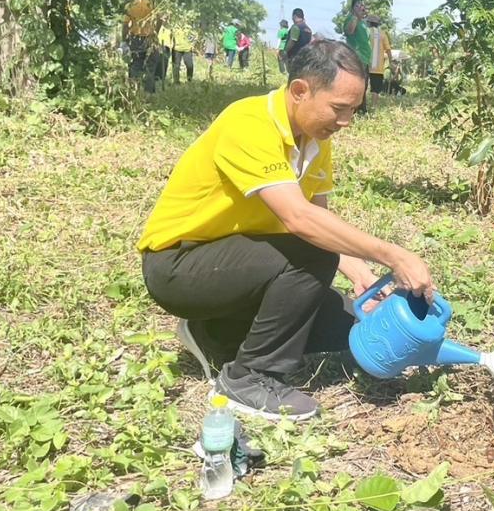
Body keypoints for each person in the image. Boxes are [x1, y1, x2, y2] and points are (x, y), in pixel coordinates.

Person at [138, 40, 436, 420]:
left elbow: (320, 221)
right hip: (178, 266)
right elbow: (301, 221)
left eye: (354, 111)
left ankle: (212, 334)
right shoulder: (247, 122)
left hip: (236, 264)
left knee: (350, 322)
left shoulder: (315, 138)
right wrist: (394, 255)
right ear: (300, 91)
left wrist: (362, 276)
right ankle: (249, 379)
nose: (346, 122)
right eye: (338, 108)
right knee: (312, 254)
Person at [122, 0, 160, 93]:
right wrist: (155, 32)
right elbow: (160, 19)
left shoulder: (130, 6)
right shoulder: (151, 4)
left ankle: (133, 91)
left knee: (135, 65)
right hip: (150, 38)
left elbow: (125, 24)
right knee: (150, 66)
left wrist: (124, 40)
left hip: (135, 38)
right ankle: (149, 93)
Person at [342, 0, 374, 67]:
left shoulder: (363, 23)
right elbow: (349, 31)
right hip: (356, 58)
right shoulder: (351, 18)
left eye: (362, 5)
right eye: (357, 5)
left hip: (366, 59)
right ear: (352, 9)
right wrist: (356, 16)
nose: (360, 7)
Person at [367, 19, 390, 106]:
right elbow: (388, 49)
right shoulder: (383, 34)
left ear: (369, 23)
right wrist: (391, 62)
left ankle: (360, 106)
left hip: (365, 64)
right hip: (378, 67)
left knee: (363, 86)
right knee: (375, 89)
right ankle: (374, 106)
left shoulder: (366, 31)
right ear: (378, 24)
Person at [156, 21, 173, 85]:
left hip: (167, 47)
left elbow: (172, 37)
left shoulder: (170, 27)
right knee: (158, 62)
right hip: (159, 45)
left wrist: (171, 45)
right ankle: (157, 78)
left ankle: (162, 78)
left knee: (165, 63)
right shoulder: (158, 25)